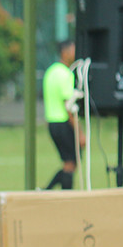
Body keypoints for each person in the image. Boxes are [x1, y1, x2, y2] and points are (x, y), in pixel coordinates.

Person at [43, 39, 85, 190]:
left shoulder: (51, 71)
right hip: (64, 123)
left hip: (52, 123)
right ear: (65, 52)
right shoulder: (65, 74)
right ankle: (61, 194)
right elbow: (69, 106)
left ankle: (47, 190)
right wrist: (80, 132)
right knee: (71, 163)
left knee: (69, 163)